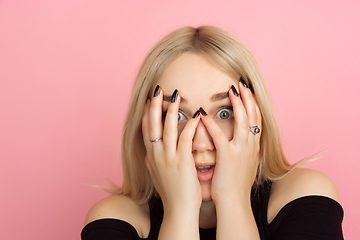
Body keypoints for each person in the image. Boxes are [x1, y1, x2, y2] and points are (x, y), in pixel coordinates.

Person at [81, 26, 344, 240]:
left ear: (255, 118)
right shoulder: (114, 221)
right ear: (147, 126)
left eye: (224, 113)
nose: (201, 143)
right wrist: (180, 211)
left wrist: (232, 201)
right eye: (176, 115)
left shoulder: (306, 196)